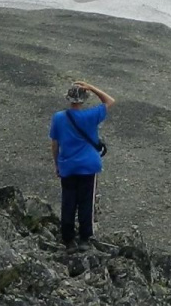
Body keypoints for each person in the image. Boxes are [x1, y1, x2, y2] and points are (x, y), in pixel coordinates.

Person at [49, 80, 115, 250]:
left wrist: (57, 165)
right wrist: (92, 87)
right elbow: (110, 101)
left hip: (68, 166)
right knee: (87, 202)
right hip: (88, 166)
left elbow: (55, 145)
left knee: (68, 202)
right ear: (84, 99)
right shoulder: (91, 116)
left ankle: (68, 239)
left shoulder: (58, 118)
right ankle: (85, 238)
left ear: (69, 98)